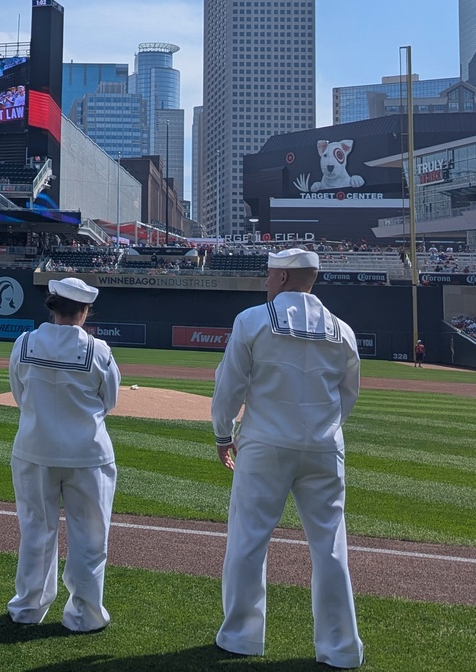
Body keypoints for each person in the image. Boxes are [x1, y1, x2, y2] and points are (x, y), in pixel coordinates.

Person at [211, 248, 363, 669]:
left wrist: (223, 433)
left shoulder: (252, 321)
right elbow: (347, 396)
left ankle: (241, 636)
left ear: (280, 277)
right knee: (330, 547)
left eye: (268, 274)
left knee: (248, 539)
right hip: (324, 447)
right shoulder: (342, 331)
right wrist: (324, 429)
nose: (265, 281)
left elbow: (230, 386)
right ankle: (341, 648)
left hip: (264, 444)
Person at [7, 277, 121, 633]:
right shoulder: (99, 350)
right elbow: (110, 400)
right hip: (87, 454)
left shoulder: (24, 343)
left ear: (53, 305)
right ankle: (85, 616)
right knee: (90, 538)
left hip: (34, 448)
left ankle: (28, 608)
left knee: (35, 532)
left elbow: (18, 392)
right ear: (84, 311)